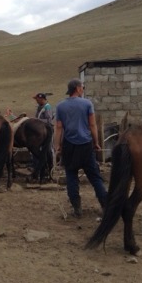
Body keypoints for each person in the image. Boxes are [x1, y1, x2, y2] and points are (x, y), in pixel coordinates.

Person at [54, 78, 107, 218]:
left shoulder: (60, 106)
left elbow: (59, 128)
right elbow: (92, 125)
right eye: (82, 87)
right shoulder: (87, 104)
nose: (83, 89)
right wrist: (96, 142)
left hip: (69, 146)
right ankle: (105, 205)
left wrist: (57, 146)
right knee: (95, 177)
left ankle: (77, 208)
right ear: (77, 88)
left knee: (71, 175)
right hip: (85, 145)